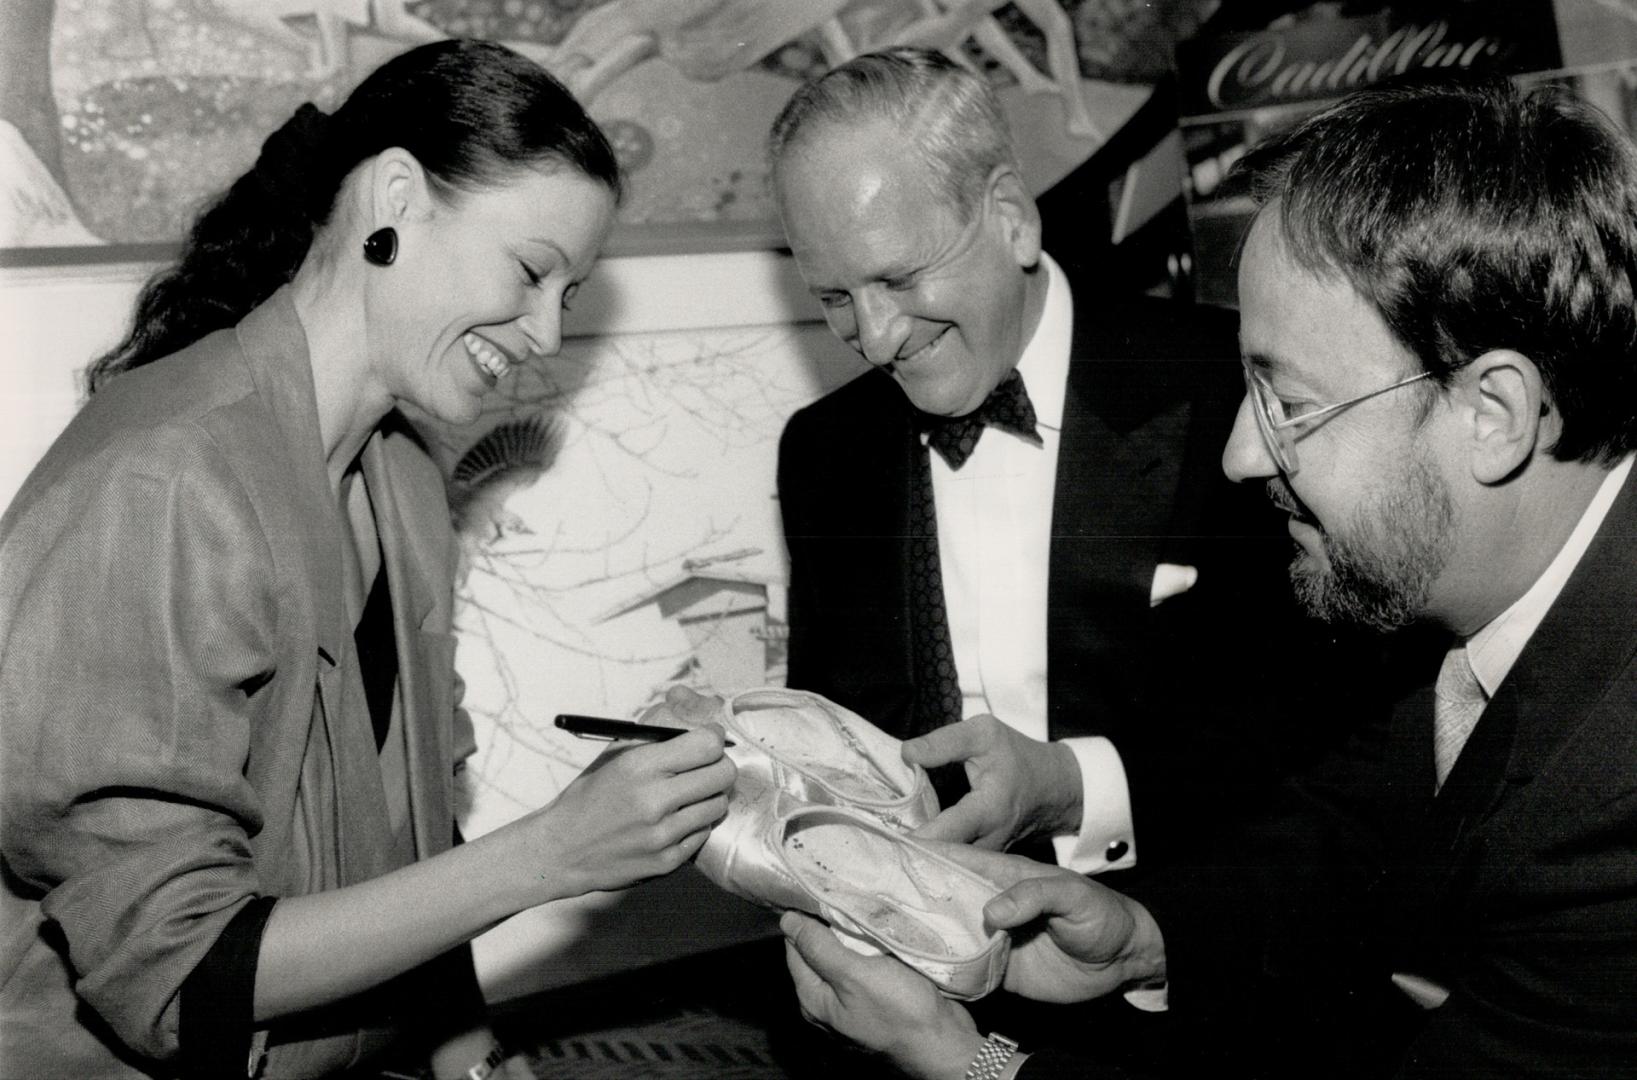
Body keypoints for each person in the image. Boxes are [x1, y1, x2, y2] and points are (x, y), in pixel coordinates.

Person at [779, 74, 1637, 1078]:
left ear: (1490, 413)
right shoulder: (1465, 636)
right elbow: (1350, 825)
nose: (1237, 456)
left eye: (1287, 401)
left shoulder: (1607, 823)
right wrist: (1145, 933)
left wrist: (963, 1064)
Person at [0, 40, 736, 1079]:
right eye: (531, 272)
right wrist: (551, 855)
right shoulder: (162, 482)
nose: (544, 333)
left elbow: (410, 844)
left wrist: (473, 1058)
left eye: (569, 295)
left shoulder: (400, 479)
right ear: (395, 196)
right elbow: (180, 978)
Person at [770, 47, 1344, 878]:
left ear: (1011, 216)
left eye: (900, 278)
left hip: (1190, 958)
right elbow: (830, 749)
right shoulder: (822, 453)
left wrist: (1077, 787)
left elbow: (1331, 734)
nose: (875, 336)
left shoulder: (1229, 390)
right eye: (833, 297)